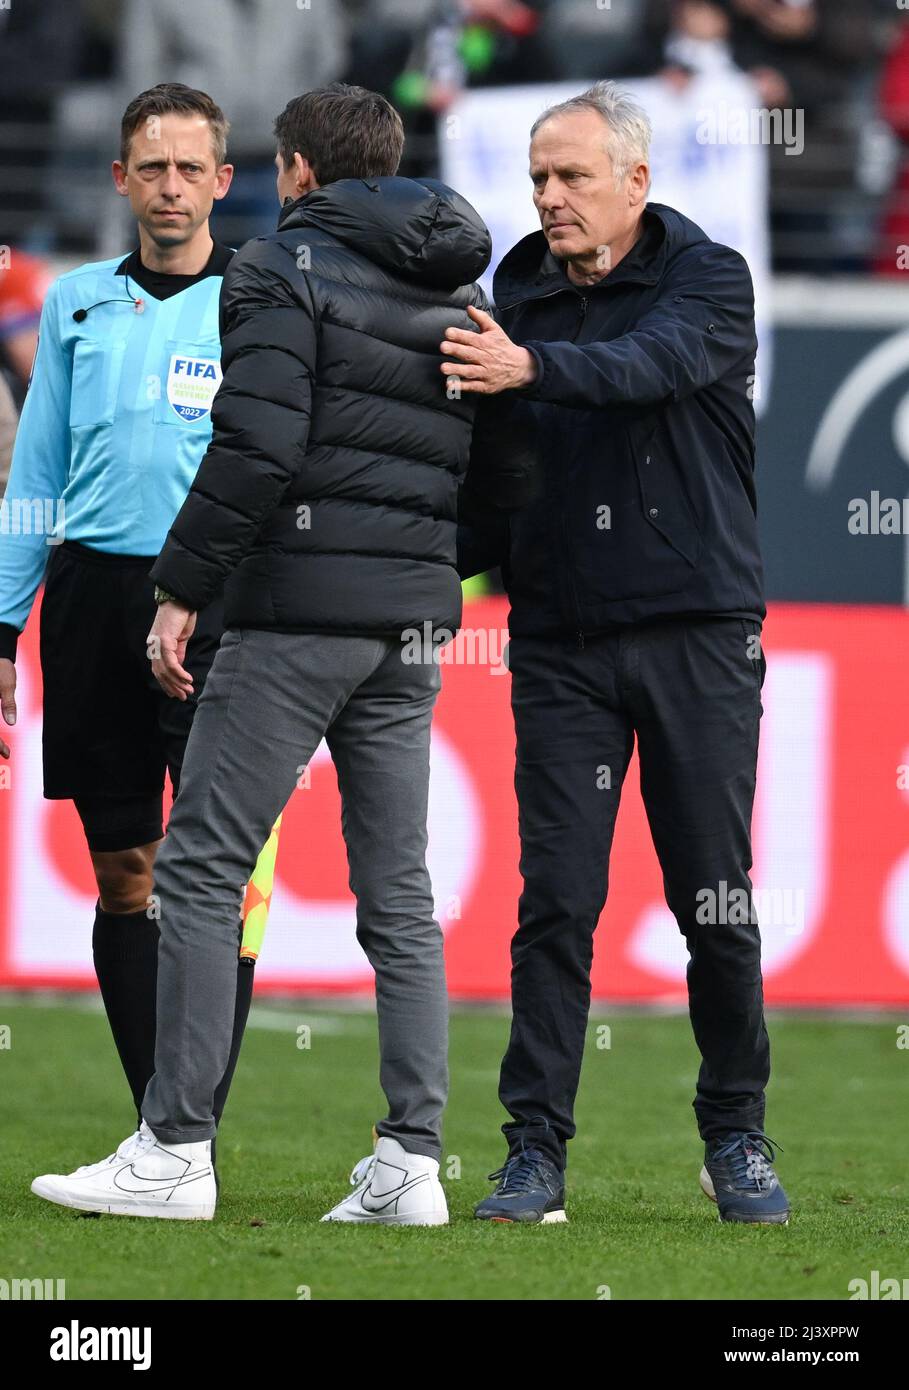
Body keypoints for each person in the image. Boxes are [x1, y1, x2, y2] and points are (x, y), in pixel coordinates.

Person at [31, 82, 493, 1226]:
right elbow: (506, 470)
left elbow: (257, 443)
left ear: (291, 172)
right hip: (411, 621)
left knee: (197, 867)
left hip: (292, 616)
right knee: (399, 891)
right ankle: (411, 1164)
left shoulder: (278, 270)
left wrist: (185, 587)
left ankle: (175, 1149)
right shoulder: (459, 289)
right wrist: (423, 559)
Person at [447, 80, 790, 1225]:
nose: (549, 197)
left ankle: (736, 1133)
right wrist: (408, 572)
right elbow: (498, 484)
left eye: (572, 176)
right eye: (538, 178)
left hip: (697, 632)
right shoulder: (519, 295)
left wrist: (533, 370)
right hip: (559, 641)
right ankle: (533, 1153)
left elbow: (648, 369)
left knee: (715, 901)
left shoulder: (709, 279)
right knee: (556, 902)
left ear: (635, 181)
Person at [0, 83, 255, 1163]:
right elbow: (36, 469)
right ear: (119, 178)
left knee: (219, 872)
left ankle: (188, 1124)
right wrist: (3, 627)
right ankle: (158, 1123)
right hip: (94, 599)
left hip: (216, 603)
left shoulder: (259, 303)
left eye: (190, 167)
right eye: (151, 166)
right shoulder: (74, 301)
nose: (170, 185)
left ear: (223, 181)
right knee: (126, 871)